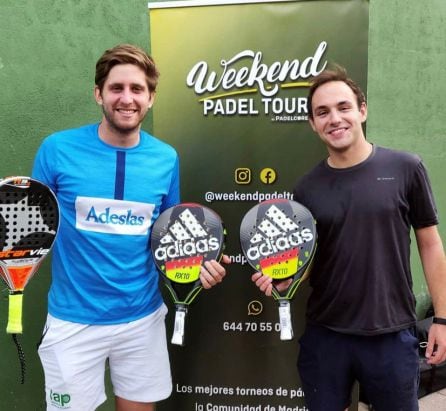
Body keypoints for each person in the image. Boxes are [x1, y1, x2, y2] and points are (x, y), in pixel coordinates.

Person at [32, 44, 229, 411]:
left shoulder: (165, 158)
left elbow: (170, 238)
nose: (127, 98)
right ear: (98, 94)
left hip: (142, 319)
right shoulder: (56, 150)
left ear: (151, 98)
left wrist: (200, 265)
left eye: (137, 89)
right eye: (116, 88)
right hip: (73, 322)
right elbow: (32, 234)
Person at [252, 66, 446, 411]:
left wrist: (443, 320)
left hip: (391, 334)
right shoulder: (306, 188)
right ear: (313, 123)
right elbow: (306, 261)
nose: (334, 119)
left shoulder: (406, 168)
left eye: (343, 107)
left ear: (362, 110)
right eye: (322, 112)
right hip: (326, 336)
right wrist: (285, 280)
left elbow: (430, 245)